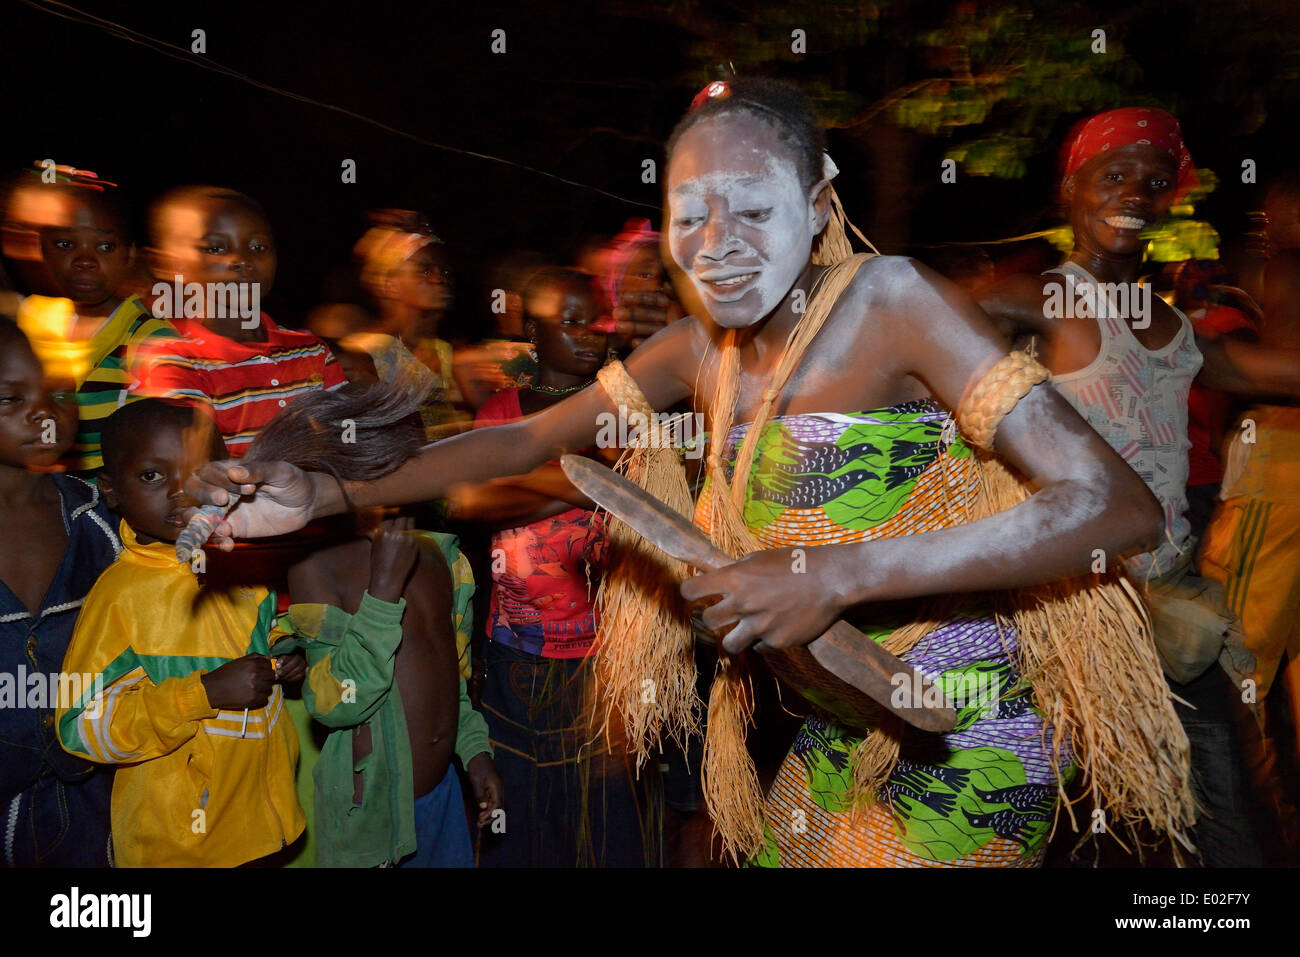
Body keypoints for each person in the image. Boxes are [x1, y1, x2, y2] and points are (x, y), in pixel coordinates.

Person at [187, 78, 1182, 868]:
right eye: (688, 215)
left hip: (962, 723)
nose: (717, 246)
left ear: (817, 201)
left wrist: (830, 575)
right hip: (841, 720)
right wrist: (328, 494)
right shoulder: (696, 348)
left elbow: (1113, 507)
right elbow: (517, 445)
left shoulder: (891, 300)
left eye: (751, 209)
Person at [976, 107, 1294, 866]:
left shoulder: (1175, 324)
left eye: (1155, 181)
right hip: (1063, 613)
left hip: (1170, 615)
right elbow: (900, 326)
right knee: (1049, 830)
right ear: (1070, 191)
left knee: (1225, 832)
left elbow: (1270, 371)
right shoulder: (1035, 299)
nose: (1136, 193)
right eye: (1113, 175)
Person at [243, 380, 502, 867]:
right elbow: (330, 703)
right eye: (397, 463)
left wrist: (474, 751)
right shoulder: (320, 567)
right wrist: (382, 594)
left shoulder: (439, 554)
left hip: (444, 798)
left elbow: (453, 677)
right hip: (370, 817)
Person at [453, 267, 659, 867]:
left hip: (610, 651)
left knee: (605, 822)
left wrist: (539, 476)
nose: (587, 333)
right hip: (520, 654)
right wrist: (590, 479)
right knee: (522, 820)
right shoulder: (504, 410)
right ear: (532, 333)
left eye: (595, 320)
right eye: (569, 322)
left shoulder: (627, 410)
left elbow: (652, 504)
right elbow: (476, 498)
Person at [57, 399, 305, 867]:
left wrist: (287, 653)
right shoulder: (121, 597)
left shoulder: (237, 565)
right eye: (152, 476)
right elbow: (78, 727)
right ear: (110, 489)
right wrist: (202, 695)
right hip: (180, 848)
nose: (180, 493)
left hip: (263, 827)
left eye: (200, 473)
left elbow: (269, 632)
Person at [0, 322, 116, 866]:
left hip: (95, 804)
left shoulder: (103, 523)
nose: (43, 413)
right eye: (11, 397)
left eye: (60, 394)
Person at [132, 185, 346, 455]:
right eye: (215, 248)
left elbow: (345, 448)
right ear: (168, 264)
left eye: (258, 246)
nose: (242, 260)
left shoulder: (312, 350)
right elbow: (198, 472)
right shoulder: (174, 362)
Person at [2, 166, 177, 474]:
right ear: (41, 248)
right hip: (42, 496)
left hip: (106, 503)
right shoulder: (30, 320)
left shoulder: (148, 336)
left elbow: (158, 448)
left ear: (130, 254)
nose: (85, 259)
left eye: (105, 246)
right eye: (66, 244)